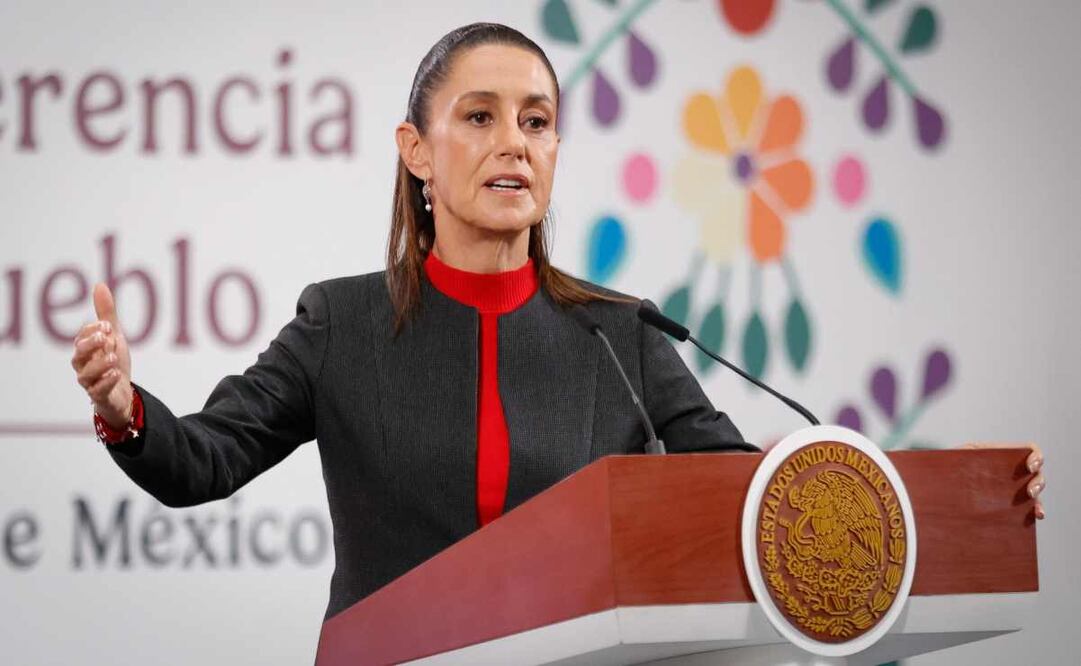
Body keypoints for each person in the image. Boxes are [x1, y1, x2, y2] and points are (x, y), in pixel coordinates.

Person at [68, 23, 1046, 625]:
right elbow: (201, 461)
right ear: (416, 150)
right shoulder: (343, 322)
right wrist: (121, 404)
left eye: (535, 121)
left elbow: (742, 497)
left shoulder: (619, 334)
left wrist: (955, 503)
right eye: (481, 117)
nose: (513, 144)